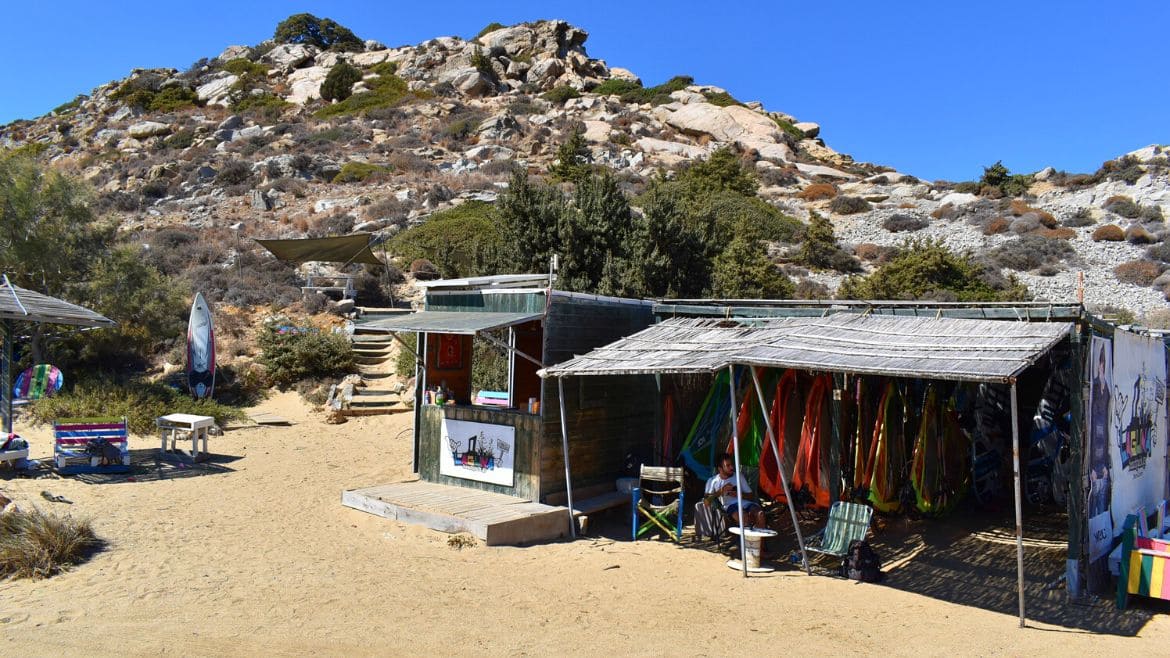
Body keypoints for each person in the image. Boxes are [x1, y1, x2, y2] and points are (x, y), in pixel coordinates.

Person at [705, 454, 767, 529]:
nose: (732, 467)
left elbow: (751, 496)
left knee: (760, 514)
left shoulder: (738, 476)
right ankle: (749, 538)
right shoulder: (712, 481)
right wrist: (721, 491)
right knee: (743, 517)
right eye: (728, 465)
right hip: (730, 506)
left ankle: (759, 540)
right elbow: (706, 502)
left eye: (731, 464)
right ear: (720, 469)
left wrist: (739, 495)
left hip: (746, 503)